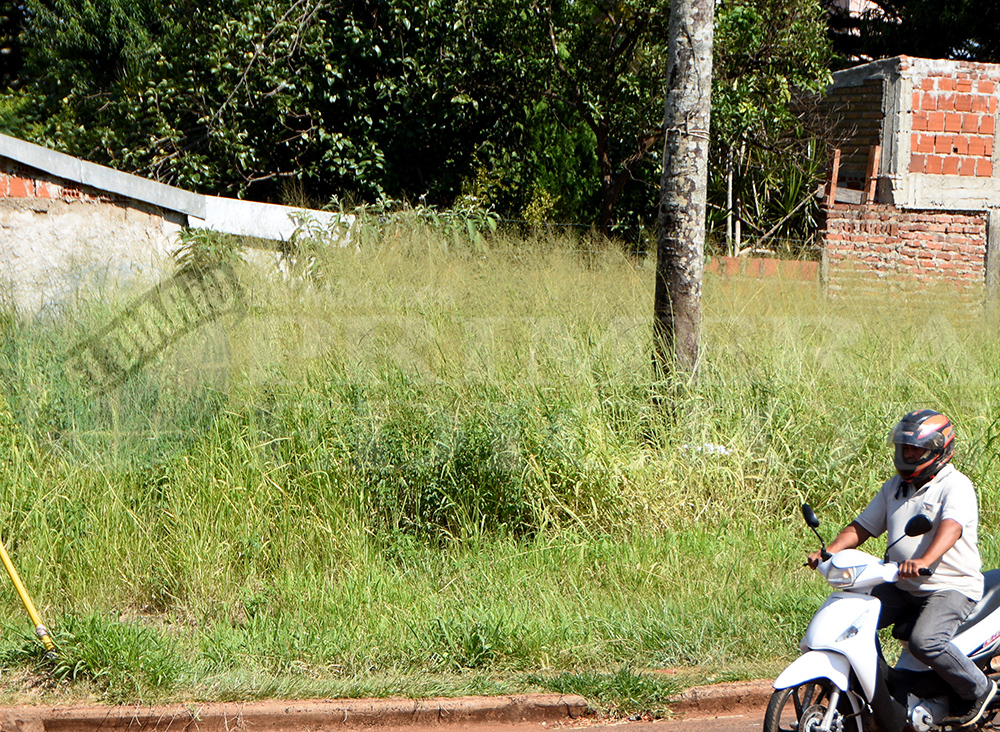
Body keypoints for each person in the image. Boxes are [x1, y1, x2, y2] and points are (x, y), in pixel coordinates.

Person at [807, 409, 996, 727]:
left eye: (916, 450)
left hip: (951, 586)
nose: (908, 455)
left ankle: (979, 689)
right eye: (904, 449)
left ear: (938, 451)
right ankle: (885, 691)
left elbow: (951, 528)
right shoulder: (895, 487)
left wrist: (923, 561)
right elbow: (863, 527)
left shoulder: (955, 486)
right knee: (851, 619)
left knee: (926, 642)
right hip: (902, 583)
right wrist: (828, 551)